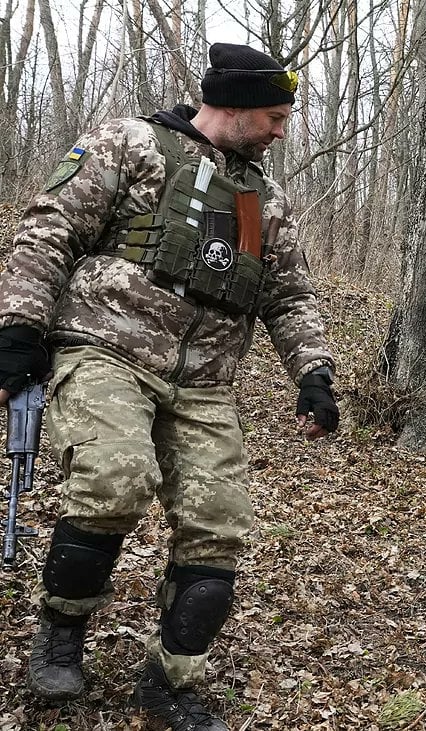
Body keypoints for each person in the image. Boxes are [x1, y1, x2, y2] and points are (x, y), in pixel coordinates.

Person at [0, 43, 340, 730]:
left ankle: (169, 682)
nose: (280, 132)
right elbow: (49, 231)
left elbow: (289, 293)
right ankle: (61, 634)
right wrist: (19, 327)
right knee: (113, 477)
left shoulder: (262, 197)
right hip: (107, 346)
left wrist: (314, 374)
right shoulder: (129, 144)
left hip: (206, 380)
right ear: (235, 105)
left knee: (220, 530)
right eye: (273, 118)